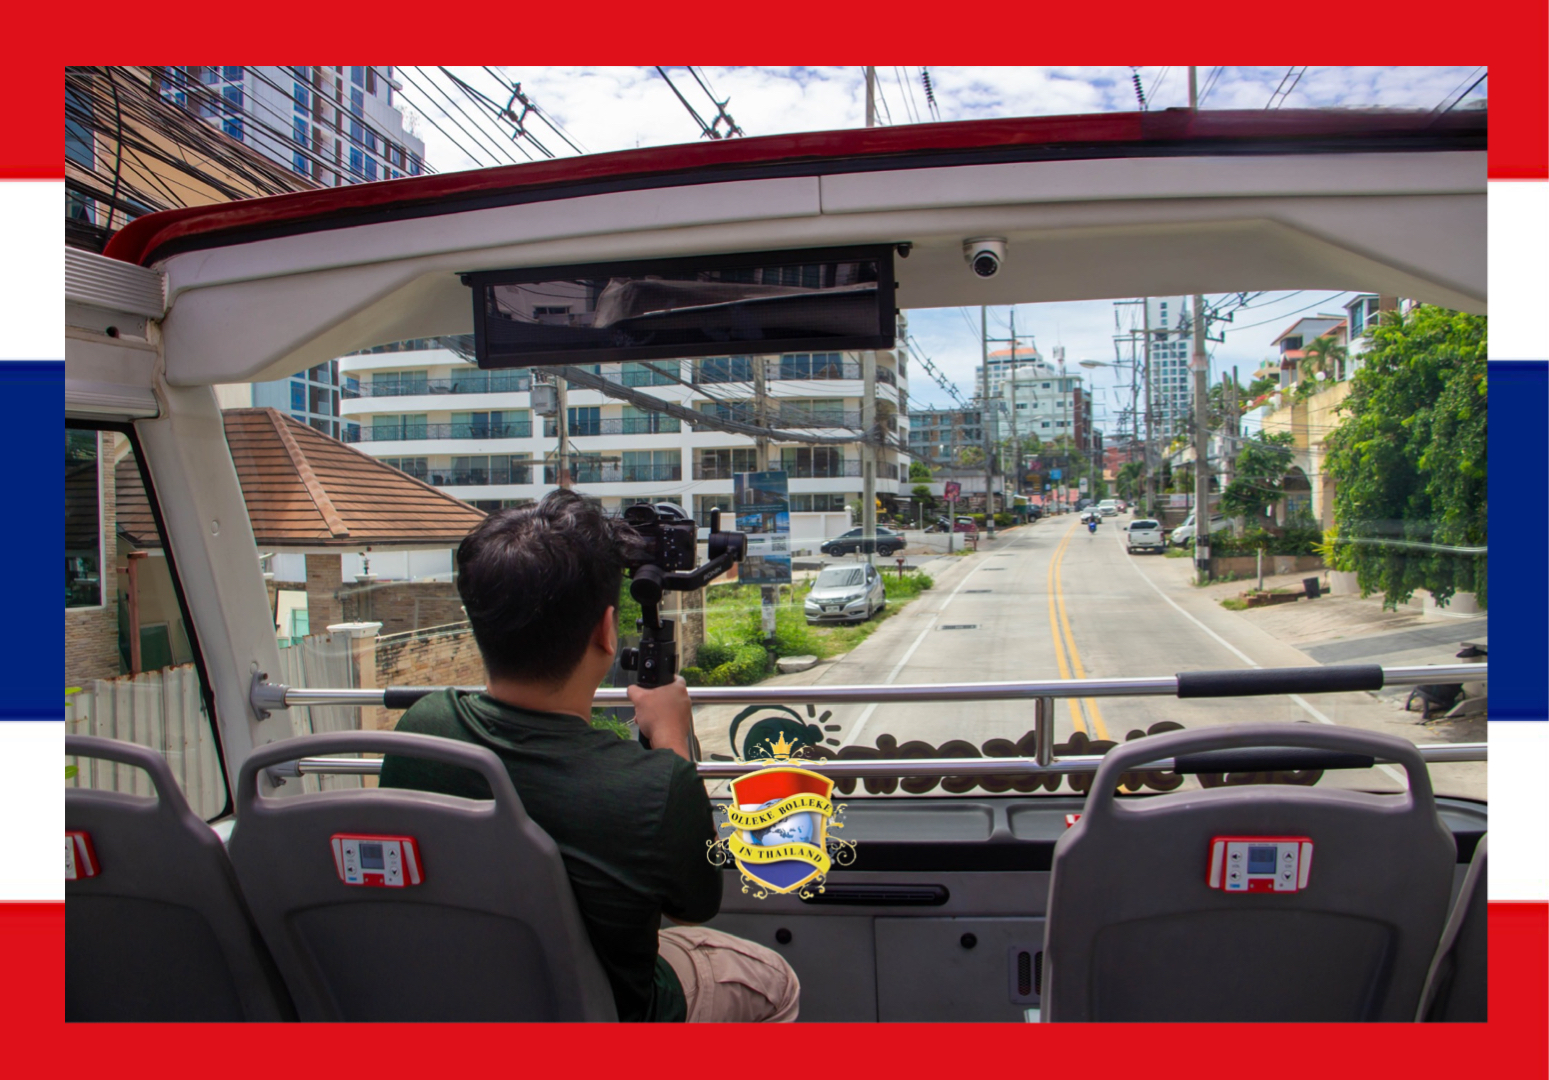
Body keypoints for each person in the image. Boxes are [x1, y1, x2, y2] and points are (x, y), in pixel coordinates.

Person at [378, 490, 799, 1023]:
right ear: (606, 631)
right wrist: (672, 741)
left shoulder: (424, 729)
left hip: (463, 1000)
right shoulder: (650, 787)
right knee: (774, 981)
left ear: (478, 623)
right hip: (608, 1012)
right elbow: (694, 907)